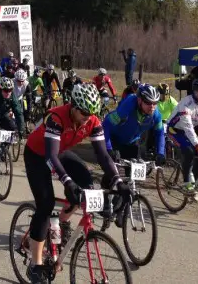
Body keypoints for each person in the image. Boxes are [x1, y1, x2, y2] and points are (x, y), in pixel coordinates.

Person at [23, 83, 130, 284]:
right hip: (38, 155)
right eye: (83, 113)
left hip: (60, 151)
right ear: (73, 106)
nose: (88, 117)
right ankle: (35, 264)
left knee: (85, 186)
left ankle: (61, 223)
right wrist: (67, 181)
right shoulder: (55, 118)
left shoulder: (93, 120)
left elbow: (103, 156)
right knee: (45, 205)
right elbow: (50, 156)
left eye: (92, 113)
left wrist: (118, 181)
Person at [103, 84, 166, 189]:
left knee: (131, 177)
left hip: (132, 141)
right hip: (115, 139)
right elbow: (106, 125)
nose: (152, 107)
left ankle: (126, 200)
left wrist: (160, 153)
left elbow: (159, 133)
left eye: (155, 103)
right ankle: (105, 193)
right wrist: (109, 149)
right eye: (148, 103)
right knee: (114, 173)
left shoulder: (156, 115)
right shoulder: (128, 107)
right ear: (139, 100)